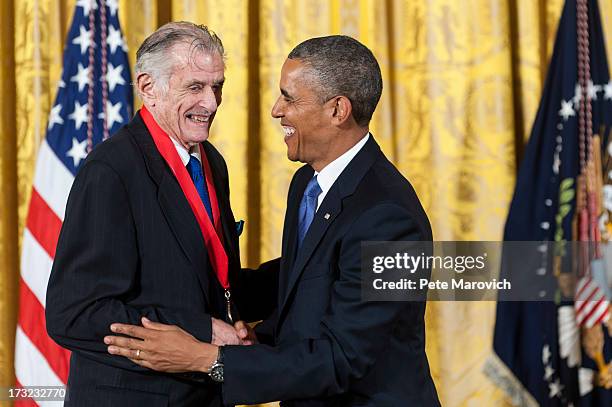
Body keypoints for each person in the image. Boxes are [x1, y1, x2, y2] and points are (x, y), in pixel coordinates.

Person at [104, 35, 440, 406]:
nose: (276, 110)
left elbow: (341, 358)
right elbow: (307, 293)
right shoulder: (308, 183)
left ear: (337, 110)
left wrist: (207, 359)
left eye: (290, 98)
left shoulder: (389, 217)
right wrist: (249, 334)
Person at [45, 22, 264, 406]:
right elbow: (75, 312)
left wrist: (315, 267)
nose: (211, 103)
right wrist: (202, 331)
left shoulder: (211, 161)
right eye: (195, 87)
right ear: (148, 88)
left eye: (217, 87)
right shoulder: (111, 170)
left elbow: (208, 285)